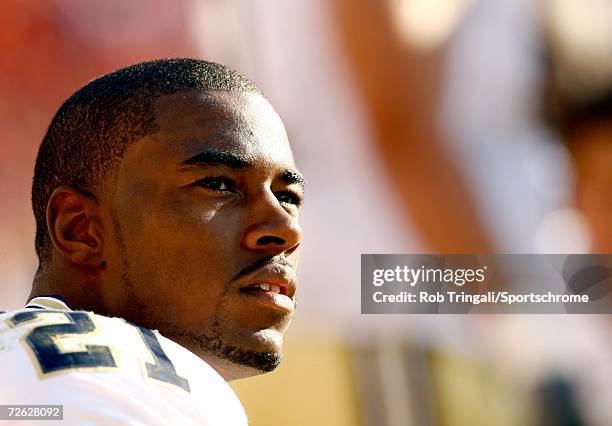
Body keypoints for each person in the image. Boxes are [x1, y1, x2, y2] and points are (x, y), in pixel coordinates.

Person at [0, 58, 304, 425]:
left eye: (288, 197)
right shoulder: (112, 377)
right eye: (218, 185)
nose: (287, 230)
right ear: (80, 229)